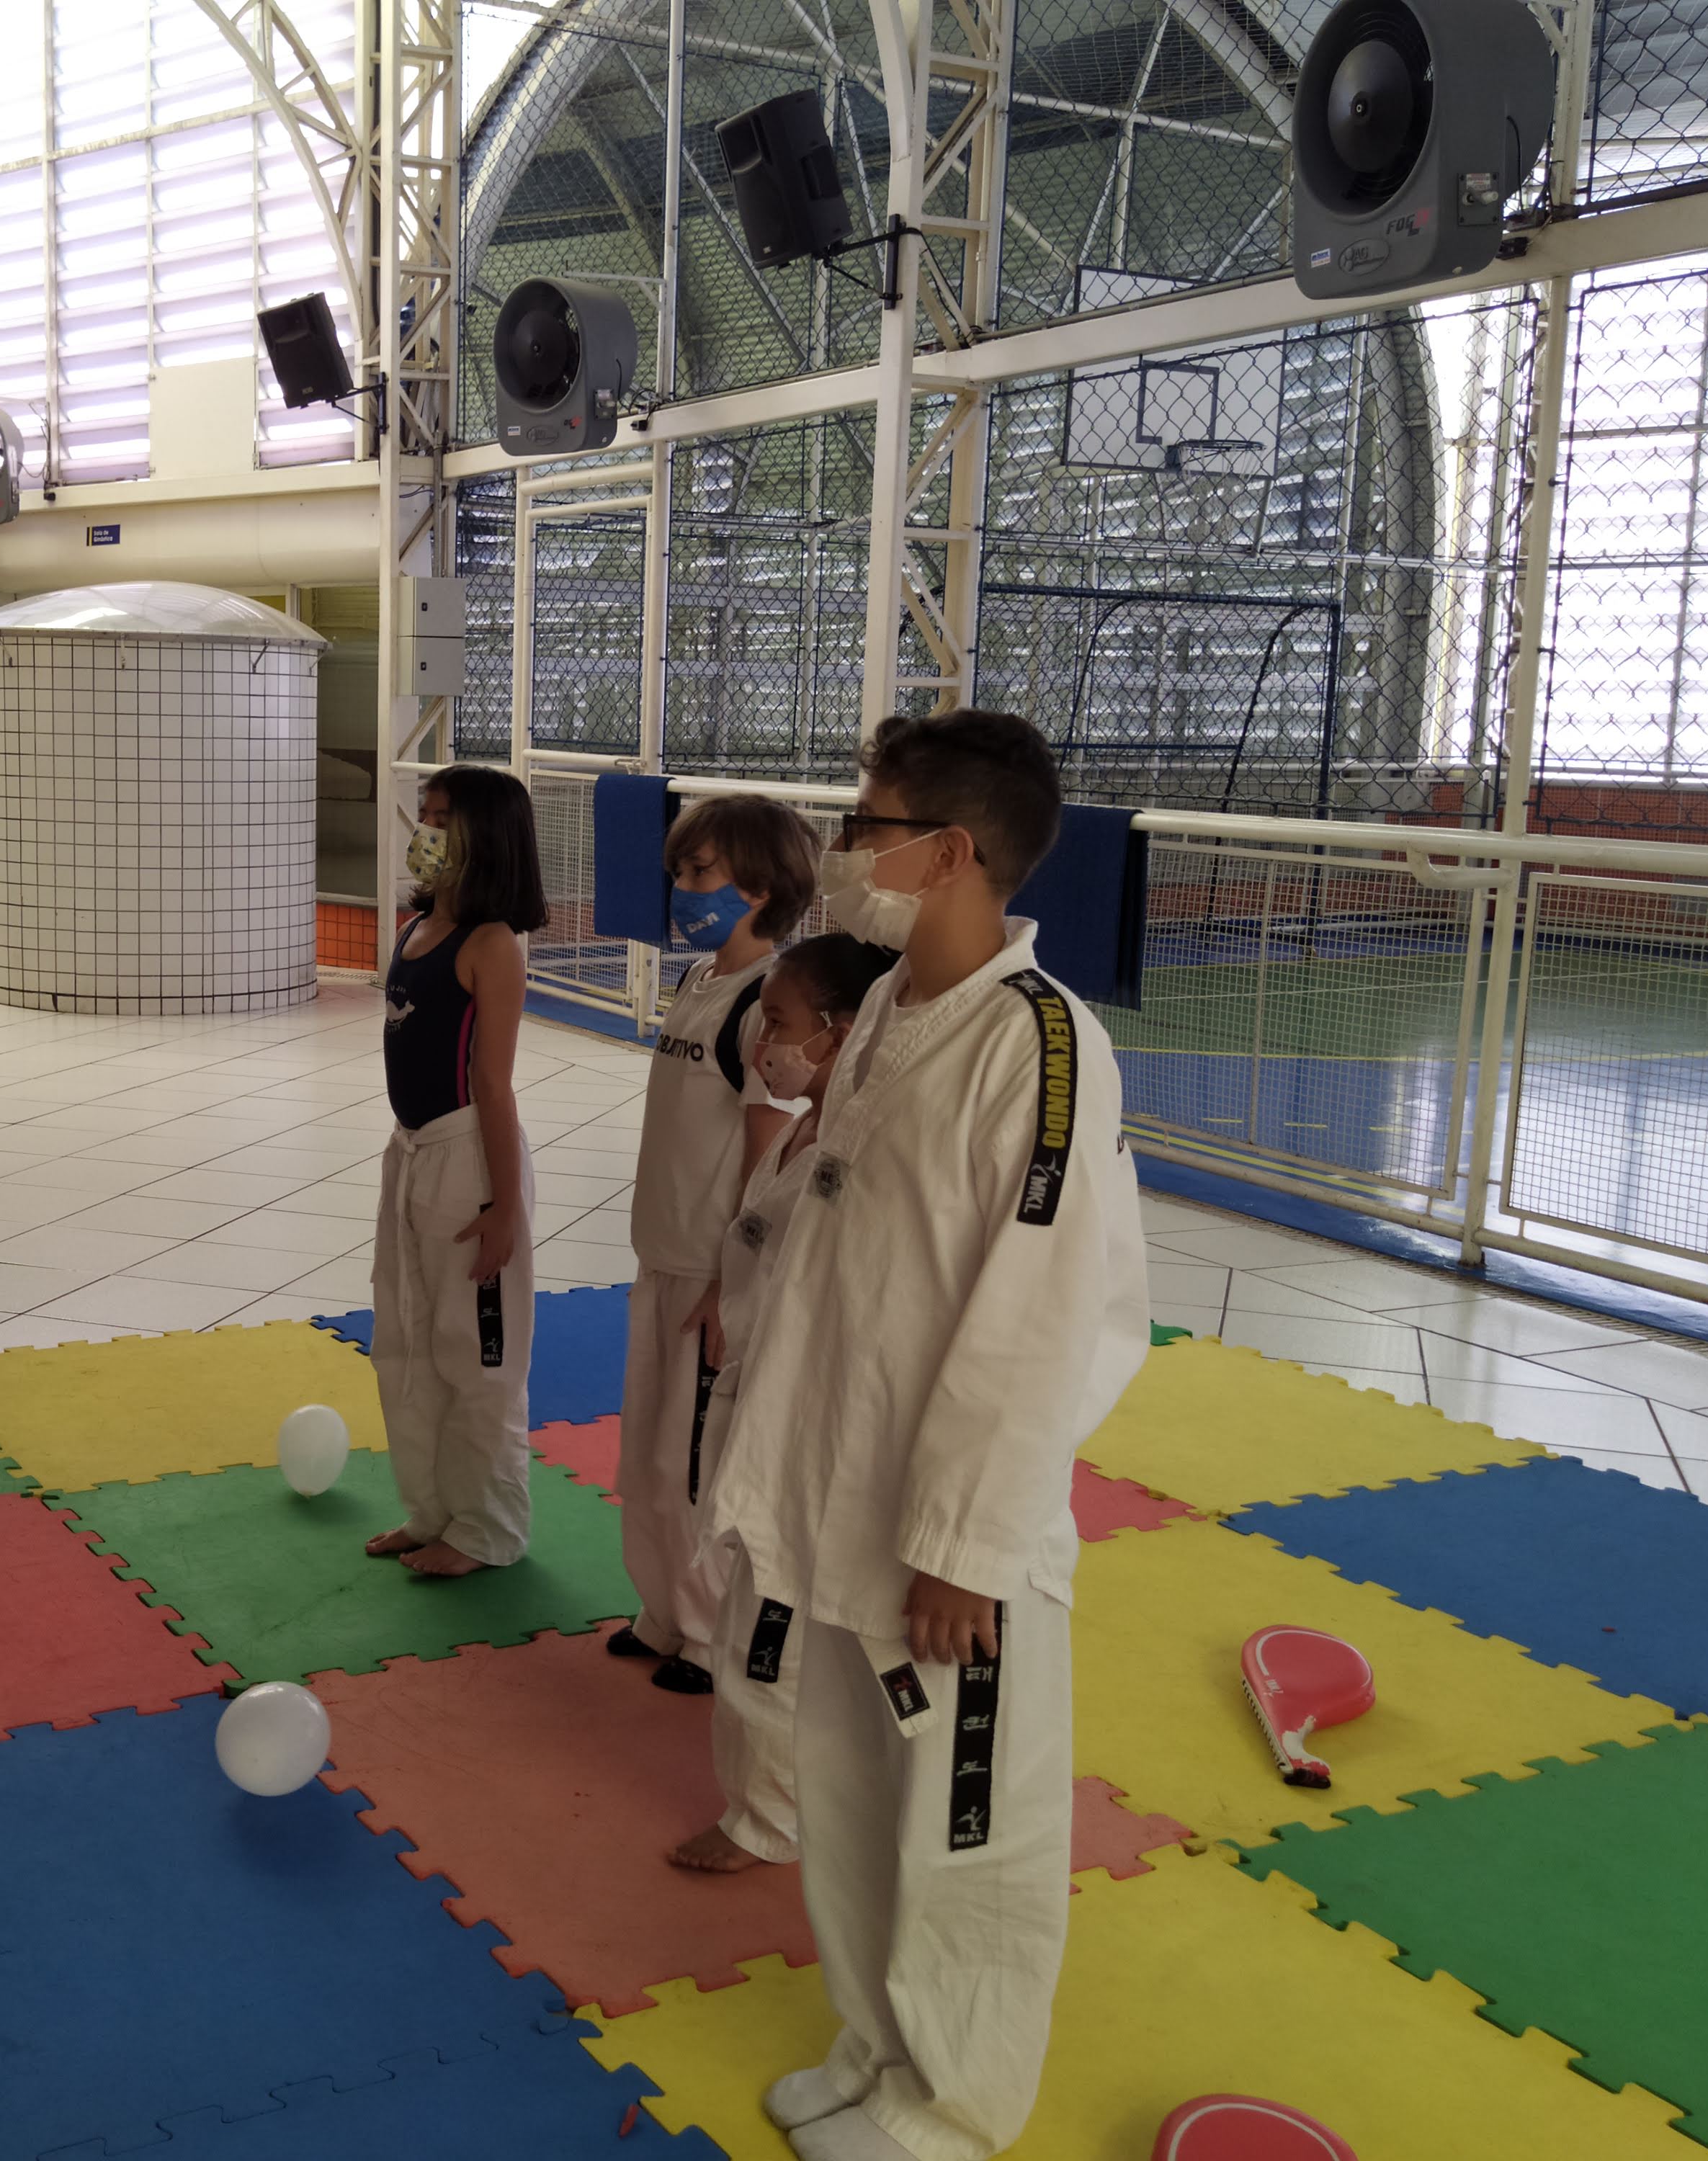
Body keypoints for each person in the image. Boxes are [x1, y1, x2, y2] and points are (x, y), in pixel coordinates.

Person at [708, 710, 1150, 2161]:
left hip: (956, 1534)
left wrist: (967, 1543)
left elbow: (1043, 1313)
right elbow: (839, 1254)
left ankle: (951, 2107)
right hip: (841, 1484)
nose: (844, 847)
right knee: (848, 1795)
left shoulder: (1040, 1047)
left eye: (867, 822)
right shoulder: (892, 1008)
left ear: (948, 852)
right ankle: (878, 2045)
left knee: (967, 1830)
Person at [666, 931, 896, 1875]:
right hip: (759, 1390)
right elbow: (758, 1246)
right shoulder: (800, 1129)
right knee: (754, 1603)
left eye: (781, 1024)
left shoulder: (859, 1151)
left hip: (810, 1418)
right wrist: (727, 1305)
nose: (765, 1044)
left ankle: (766, 1820)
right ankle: (790, 1797)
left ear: (840, 1033)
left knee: (773, 1620)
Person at [609, 795, 815, 1693]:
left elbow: (766, 1158)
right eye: (680, 872)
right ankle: (661, 1609)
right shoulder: (697, 981)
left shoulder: (764, 1003)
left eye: (700, 873)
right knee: (643, 1457)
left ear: (759, 889)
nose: (682, 890)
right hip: (659, 1256)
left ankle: (706, 1633)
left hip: (707, 1274)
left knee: (691, 1466)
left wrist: (736, 1284)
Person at [365, 765, 551, 1578]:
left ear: (487, 838)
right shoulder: (415, 929)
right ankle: (432, 1510)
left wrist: (505, 1205)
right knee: (406, 1341)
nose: (428, 831)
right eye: (427, 814)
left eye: (445, 819)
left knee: (477, 1358)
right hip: (409, 1152)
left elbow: (493, 1085)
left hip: (468, 1159)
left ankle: (488, 1530)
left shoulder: (492, 945)